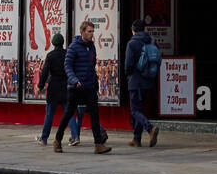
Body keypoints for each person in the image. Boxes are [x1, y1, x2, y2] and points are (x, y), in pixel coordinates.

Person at [53, 20, 111, 154]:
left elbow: (91, 67)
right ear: (82, 32)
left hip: (89, 86)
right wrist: (74, 80)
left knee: (94, 115)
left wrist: (95, 82)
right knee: (68, 114)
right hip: (76, 87)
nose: (92, 34)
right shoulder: (74, 47)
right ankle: (57, 140)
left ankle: (98, 144)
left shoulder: (92, 47)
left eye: (92, 32)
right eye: (89, 31)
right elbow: (67, 66)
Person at [35, 33, 83, 146]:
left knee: (49, 114)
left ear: (53, 43)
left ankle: (44, 137)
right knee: (69, 113)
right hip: (67, 86)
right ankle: (75, 136)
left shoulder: (50, 55)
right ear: (62, 42)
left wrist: (40, 86)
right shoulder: (67, 54)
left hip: (54, 88)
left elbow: (45, 72)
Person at [124, 19, 160, 148]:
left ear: (133, 30)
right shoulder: (151, 41)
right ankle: (136, 139)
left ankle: (150, 128)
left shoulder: (132, 43)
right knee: (140, 109)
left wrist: (128, 74)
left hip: (135, 81)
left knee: (134, 110)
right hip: (148, 81)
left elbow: (128, 65)